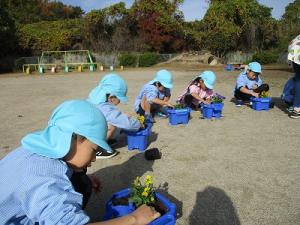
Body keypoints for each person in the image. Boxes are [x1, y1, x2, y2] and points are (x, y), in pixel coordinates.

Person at [0, 100, 160, 225]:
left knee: (82, 181)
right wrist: (135, 219)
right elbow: (45, 184)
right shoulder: (44, 180)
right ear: (75, 138)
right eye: (93, 149)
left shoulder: (34, 149)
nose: (94, 158)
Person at [88, 73, 143, 159]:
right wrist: (139, 124)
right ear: (112, 97)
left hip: (87, 131)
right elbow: (127, 124)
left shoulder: (96, 99)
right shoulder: (104, 107)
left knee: (114, 121)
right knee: (112, 126)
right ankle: (96, 149)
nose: (120, 101)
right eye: (119, 99)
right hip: (87, 136)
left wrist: (123, 116)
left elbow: (113, 115)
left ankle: (101, 141)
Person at [287, 34, 300, 118]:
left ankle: (296, 106)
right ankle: (297, 108)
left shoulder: (298, 36)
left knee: (298, 79)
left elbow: (291, 44)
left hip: (294, 52)